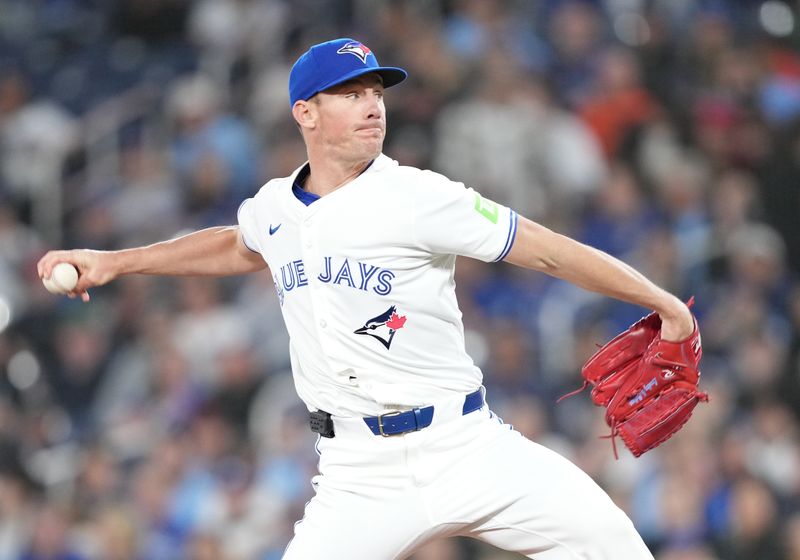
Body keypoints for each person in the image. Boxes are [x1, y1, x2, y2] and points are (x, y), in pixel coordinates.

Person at [39, 38, 695, 559]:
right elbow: (239, 245)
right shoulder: (275, 208)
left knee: (612, 544)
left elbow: (549, 248)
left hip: (464, 445)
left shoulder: (420, 195)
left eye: (375, 91)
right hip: (358, 473)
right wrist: (115, 262)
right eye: (350, 93)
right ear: (306, 112)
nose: (372, 105)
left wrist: (663, 300)